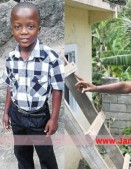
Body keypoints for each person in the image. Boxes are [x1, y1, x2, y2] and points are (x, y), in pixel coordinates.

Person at [2, 2, 64, 169]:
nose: (24, 31)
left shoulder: (50, 57)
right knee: (22, 155)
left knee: (47, 158)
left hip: (39, 118)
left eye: (30, 26)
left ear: (39, 29)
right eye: (17, 27)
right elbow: (10, 86)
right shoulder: (11, 58)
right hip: (16, 115)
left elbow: (57, 88)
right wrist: (6, 112)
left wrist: (54, 118)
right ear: (12, 30)